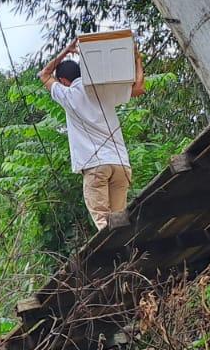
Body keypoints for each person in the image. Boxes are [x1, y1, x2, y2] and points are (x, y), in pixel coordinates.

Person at [38, 39, 147, 230]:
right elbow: (139, 88)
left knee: (104, 225)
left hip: (96, 167)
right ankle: (127, 256)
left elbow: (44, 74)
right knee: (119, 221)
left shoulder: (68, 95)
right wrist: (137, 59)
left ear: (63, 81)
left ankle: (118, 259)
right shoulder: (102, 88)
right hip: (121, 164)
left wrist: (66, 50)